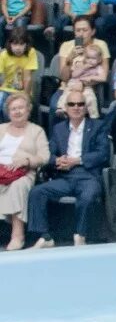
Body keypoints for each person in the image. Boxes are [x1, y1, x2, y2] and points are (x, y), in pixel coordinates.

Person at [24, 87, 113, 249]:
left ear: (86, 108)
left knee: (87, 196)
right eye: (72, 104)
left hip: (88, 176)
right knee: (37, 192)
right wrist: (57, 160)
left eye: (80, 104)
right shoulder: (59, 129)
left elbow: (103, 154)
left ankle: (80, 236)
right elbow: (47, 153)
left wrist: (77, 161)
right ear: (65, 108)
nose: (76, 107)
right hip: (65, 176)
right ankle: (45, 237)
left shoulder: (98, 126)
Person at [0, 94, 49, 251]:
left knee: (17, 186)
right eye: (13, 109)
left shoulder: (37, 131)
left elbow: (44, 157)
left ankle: (17, 236)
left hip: (23, 173)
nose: (17, 112)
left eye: (21, 108)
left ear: (28, 110)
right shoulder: (1, 129)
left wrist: (27, 161)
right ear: (8, 112)